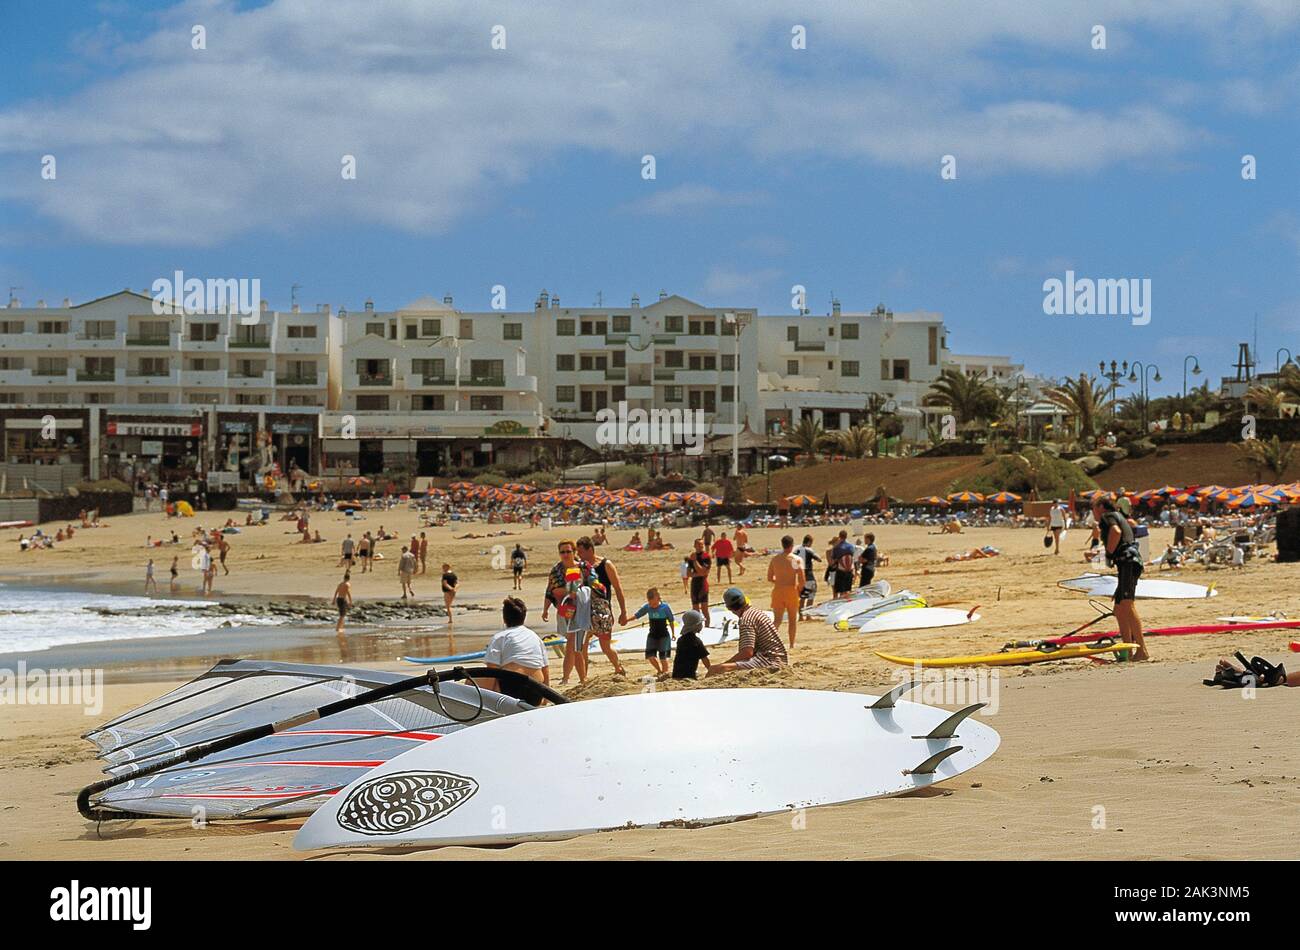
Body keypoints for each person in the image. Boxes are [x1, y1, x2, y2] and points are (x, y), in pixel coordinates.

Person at [1093, 494, 1148, 661]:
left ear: (1101, 507)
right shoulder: (1119, 515)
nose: (1093, 513)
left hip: (1128, 562)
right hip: (1129, 562)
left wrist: (1108, 553)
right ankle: (1128, 650)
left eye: (1094, 508)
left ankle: (1142, 650)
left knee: (1127, 604)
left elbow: (1116, 532)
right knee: (1119, 608)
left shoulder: (1107, 516)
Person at [472, 597, 551, 698]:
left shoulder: (500, 637)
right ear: (524, 617)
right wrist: (546, 698)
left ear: (504, 619)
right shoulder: (535, 637)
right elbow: (545, 669)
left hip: (511, 689)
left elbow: (492, 671)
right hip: (536, 692)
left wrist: (488, 696)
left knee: (471, 681)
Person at [577, 536, 628, 676]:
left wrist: (623, 612)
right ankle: (584, 678)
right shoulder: (580, 567)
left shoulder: (606, 565)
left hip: (602, 611)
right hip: (585, 611)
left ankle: (618, 668)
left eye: (581, 552)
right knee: (582, 645)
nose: (578, 555)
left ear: (590, 550)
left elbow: (618, 588)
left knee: (605, 646)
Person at [708, 587, 789, 674]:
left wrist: (725, 664)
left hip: (769, 661)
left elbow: (746, 653)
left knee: (716, 669)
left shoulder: (746, 620)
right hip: (779, 659)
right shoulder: (755, 612)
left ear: (729, 608)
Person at [543, 539, 588, 685]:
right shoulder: (556, 570)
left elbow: (594, 587)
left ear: (574, 552)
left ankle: (568, 678)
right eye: (562, 552)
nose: (565, 554)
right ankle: (580, 678)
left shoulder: (583, 567)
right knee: (574, 644)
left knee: (573, 644)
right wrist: (545, 609)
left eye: (568, 551)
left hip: (582, 610)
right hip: (565, 610)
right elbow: (551, 591)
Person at [766, 535, 805, 648]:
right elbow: (801, 577)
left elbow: (769, 577)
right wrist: (799, 588)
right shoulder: (795, 559)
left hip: (778, 589)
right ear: (792, 545)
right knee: (792, 620)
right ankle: (792, 644)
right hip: (791, 589)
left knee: (777, 620)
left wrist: (779, 582)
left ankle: (771, 643)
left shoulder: (775, 559)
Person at [633, 587, 675, 675]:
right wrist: (626, 620)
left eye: (653, 602)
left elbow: (671, 620)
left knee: (663, 657)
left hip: (663, 635)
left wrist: (673, 633)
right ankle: (659, 671)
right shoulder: (647, 607)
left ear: (657, 599)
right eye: (650, 602)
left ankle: (665, 673)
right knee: (650, 656)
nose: (651, 604)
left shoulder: (665, 607)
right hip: (652, 635)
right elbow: (637, 615)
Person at [672, 609, 712, 680]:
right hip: (689, 676)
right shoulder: (696, 642)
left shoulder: (680, 640)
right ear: (697, 626)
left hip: (676, 674)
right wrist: (711, 670)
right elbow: (705, 659)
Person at [793, 534, 821, 619]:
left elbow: (793, 565)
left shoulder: (796, 550)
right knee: (810, 596)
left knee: (802, 597)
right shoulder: (808, 550)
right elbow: (819, 559)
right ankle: (808, 615)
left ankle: (801, 616)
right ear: (809, 542)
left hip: (799, 577)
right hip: (809, 575)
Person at [687, 538, 712, 626]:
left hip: (703, 584)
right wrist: (698, 573)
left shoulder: (706, 556)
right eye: (698, 544)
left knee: (704, 609)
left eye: (702, 544)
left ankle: (707, 626)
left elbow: (703, 572)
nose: (701, 546)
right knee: (695, 609)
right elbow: (688, 573)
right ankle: (698, 627)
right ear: (694, 546)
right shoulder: (692, 556)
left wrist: (695, 561)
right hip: (694, 584)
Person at [830, 529, 855, 597]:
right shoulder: (851, 546)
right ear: (846, 536)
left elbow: (833, 560)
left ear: (839, 536)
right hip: (849, 570)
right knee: (847, 590)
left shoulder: (837, 547)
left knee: (840, 590)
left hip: (841, 571)